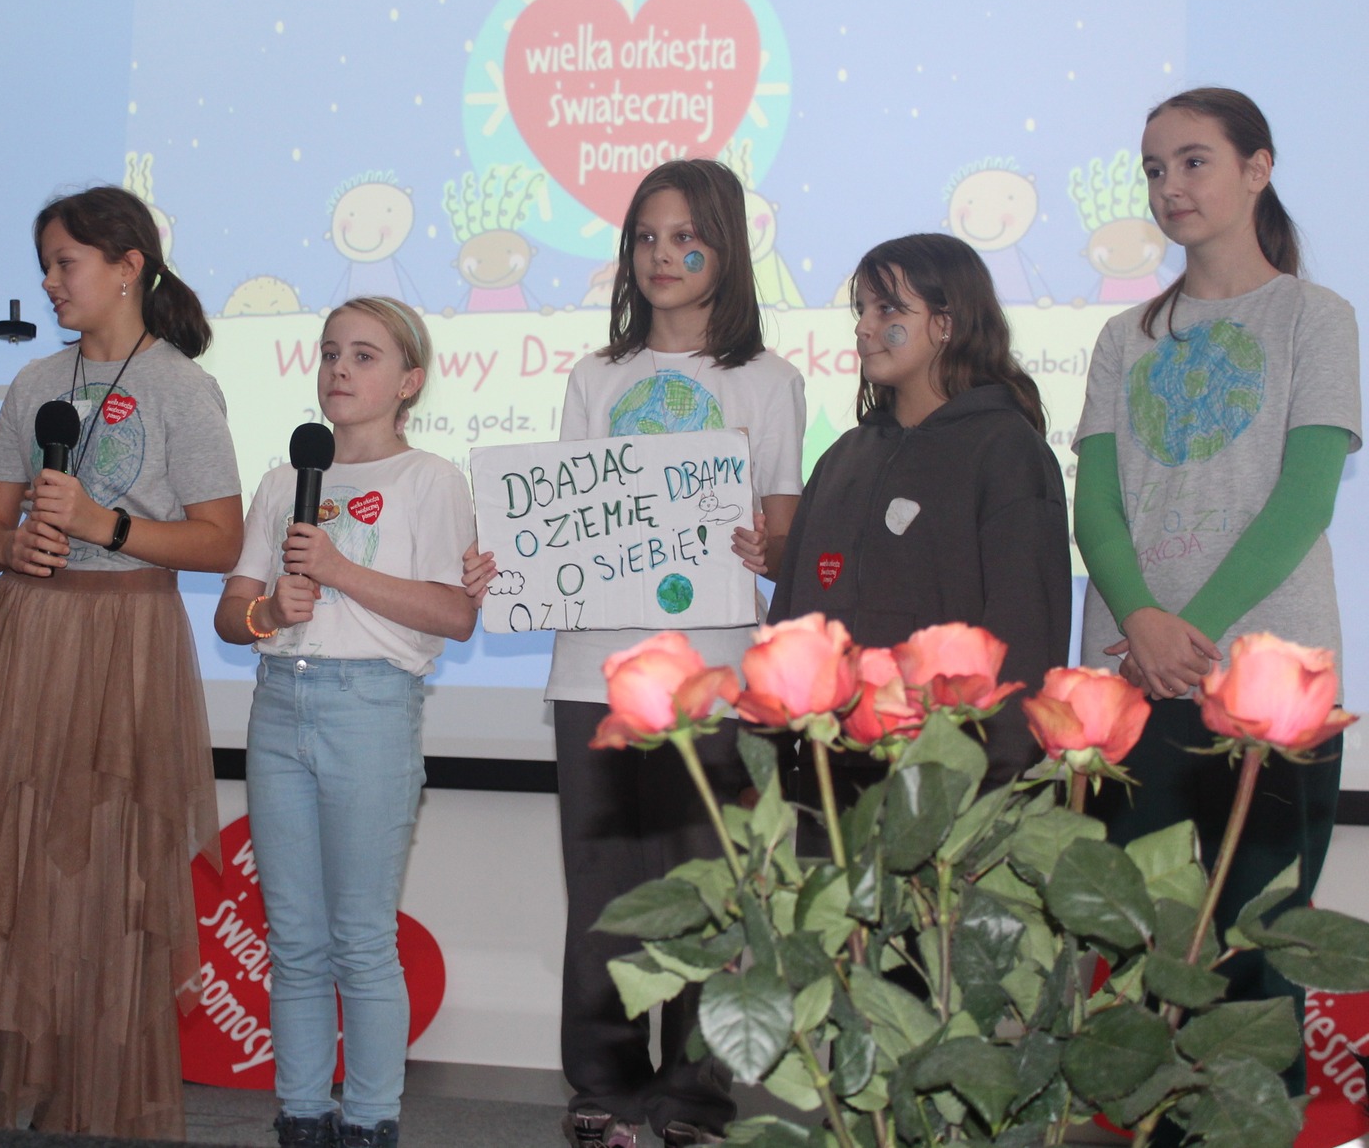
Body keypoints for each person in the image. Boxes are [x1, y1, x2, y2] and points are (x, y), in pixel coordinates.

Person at [0, 186, 242, 1136]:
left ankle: (88, 1107)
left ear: (128, 267)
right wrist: (13, 544)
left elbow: (221, 539)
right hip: (26, 635)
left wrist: (105, 525)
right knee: (4, 867)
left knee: (106, 874)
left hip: (127, 645)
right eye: (45, 265)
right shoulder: (36, 382)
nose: (49, 281)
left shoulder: (183, 387)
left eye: (65, 262)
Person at [469, 159, 805, 1148]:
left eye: (686, 238)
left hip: (717, 676)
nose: (663, 256)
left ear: (726, 249)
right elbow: (564, 518)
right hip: (595, 673)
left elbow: (786, 527)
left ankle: (693, 1096)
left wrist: (770, 549)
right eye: (647, 238)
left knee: (709, 886)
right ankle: (605, 1087)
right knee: (604, 892)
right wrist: (515, 556)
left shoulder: (767, 380)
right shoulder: (595, 375)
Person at [1073, 88, 1359, 1121]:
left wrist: (1182, 632)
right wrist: (1141, 623)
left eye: (1193, 161)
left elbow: (1304, 498)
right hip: (1133, 680)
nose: (1169, 186)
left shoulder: (1315, 317)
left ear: (1257, 168)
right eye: (1154, 169)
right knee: (1137, 944)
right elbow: (1094, 508)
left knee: (1260, 944)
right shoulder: (1124, 335)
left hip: (1271, 685)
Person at [215, 297, 477, 1148]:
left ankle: (369, 1121)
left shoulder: (430, 479)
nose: (339, 368)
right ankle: (301, 1114)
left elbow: (453, 612)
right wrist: (265, 614)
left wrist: (335, 569)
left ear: (409, 381)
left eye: (364, 355)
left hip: (371, 706)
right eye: (331, 351)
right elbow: (231, 611)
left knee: (361, 938)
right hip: (278, 701)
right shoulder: (283, 481)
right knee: (293, 937)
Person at [767, 233, 1070, 778]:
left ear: (946, 323)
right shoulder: (841, 459)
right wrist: (768, 758)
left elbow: (1025, 632)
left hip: (952, 781)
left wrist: (988, 780)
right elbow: (791, 623)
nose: (864, 327)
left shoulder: (1007, 451)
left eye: (888, 309)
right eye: (861, 309)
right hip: (829, 780)